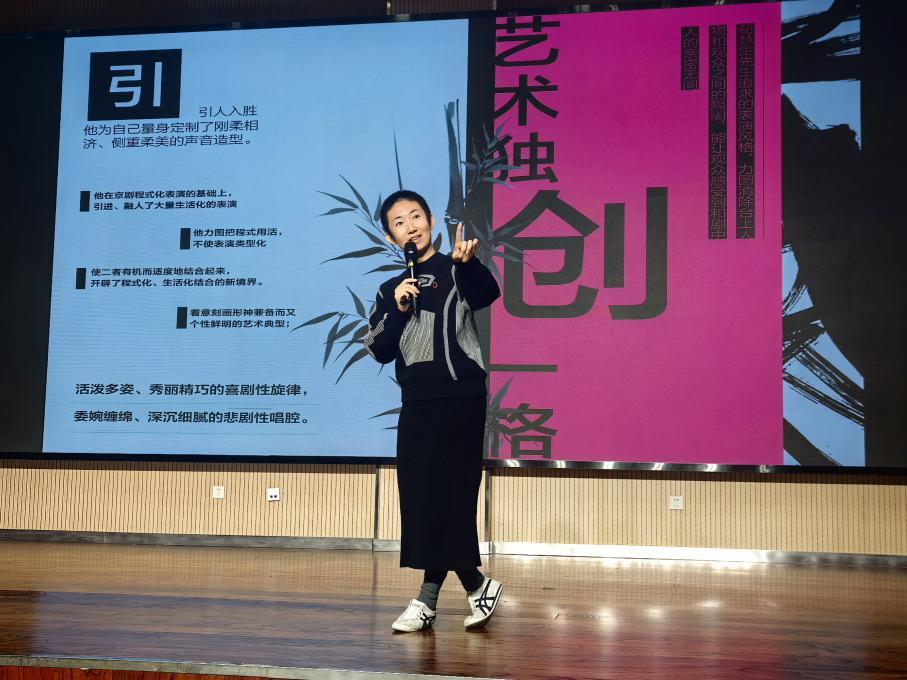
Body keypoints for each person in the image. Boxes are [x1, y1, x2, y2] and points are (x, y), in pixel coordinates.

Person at [364, 189, 504, 632]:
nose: (410, 227)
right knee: (423, 497)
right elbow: (378, 348)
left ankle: (427, 600)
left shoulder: (456, 267)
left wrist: (469, 265)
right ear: (391, 238)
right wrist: (399, 309)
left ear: (429, 222)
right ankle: (474, 585)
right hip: (417, 403)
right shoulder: (390, 290)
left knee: (454, 495)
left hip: (462, 397)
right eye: (399, 223)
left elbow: (489, 294)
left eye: (416, 217)